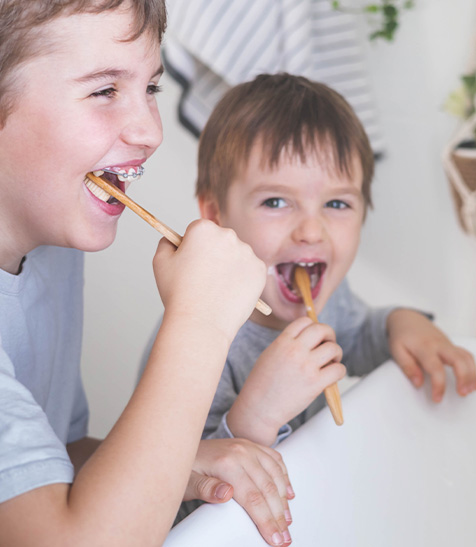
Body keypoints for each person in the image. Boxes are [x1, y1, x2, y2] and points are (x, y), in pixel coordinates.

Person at [0, 2, 295, 546]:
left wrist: (175, 466)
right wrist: (200, 323)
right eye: (105, 90)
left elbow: (45, 474)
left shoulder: (55, 249)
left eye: (150, 89)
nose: (150, 132)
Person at [179, 73, 476, 449]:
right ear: (215, 214)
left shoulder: (330, 300)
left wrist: (400, 325)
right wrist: (259, 414)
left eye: (336, 204)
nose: (311, 231)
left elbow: (357, 337)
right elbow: (182, 500)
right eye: (275, 201)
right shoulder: (191, 339)